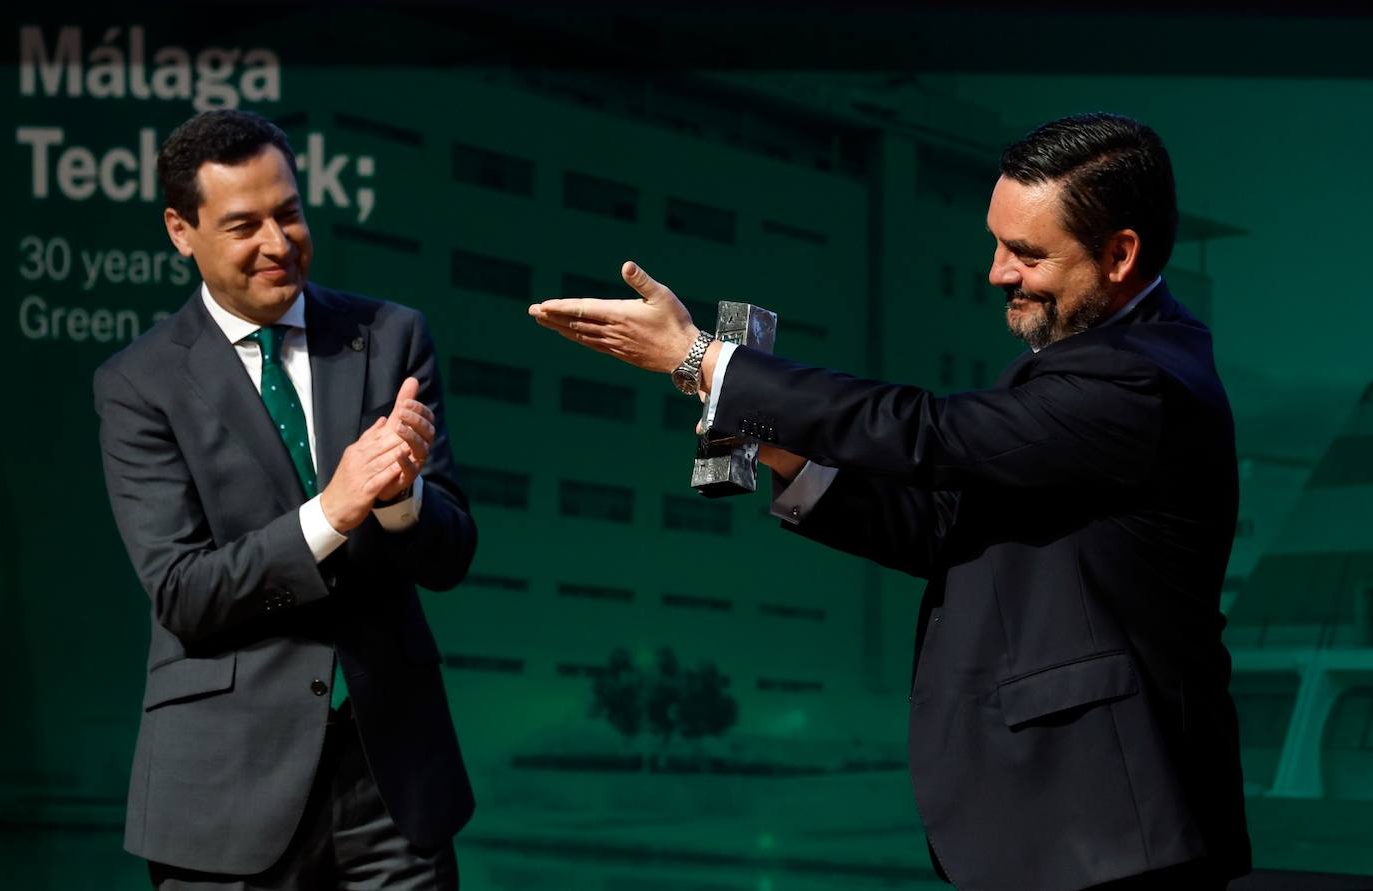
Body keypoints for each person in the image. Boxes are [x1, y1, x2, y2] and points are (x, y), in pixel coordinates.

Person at [529, 113, 1251, 890]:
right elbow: (942, 526)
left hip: (1115, 834)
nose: (996, 272)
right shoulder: (1080, 371)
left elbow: (929, 433)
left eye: (1027, 253)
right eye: (996, 241)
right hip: (1066, 832)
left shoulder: (1138, 380)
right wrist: (783, 450)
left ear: (1120, 254)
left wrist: (702, 359)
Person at [95, 109, 478, 889]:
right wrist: (333, 512)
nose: (278, 243)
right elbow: (182, 590)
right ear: (180, 229)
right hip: (222, 795)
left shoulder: (393, 336)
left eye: (290, 213)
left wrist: (402, 503)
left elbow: (451, 552)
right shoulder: (138, 384)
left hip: (393, 782)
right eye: (244, 225)